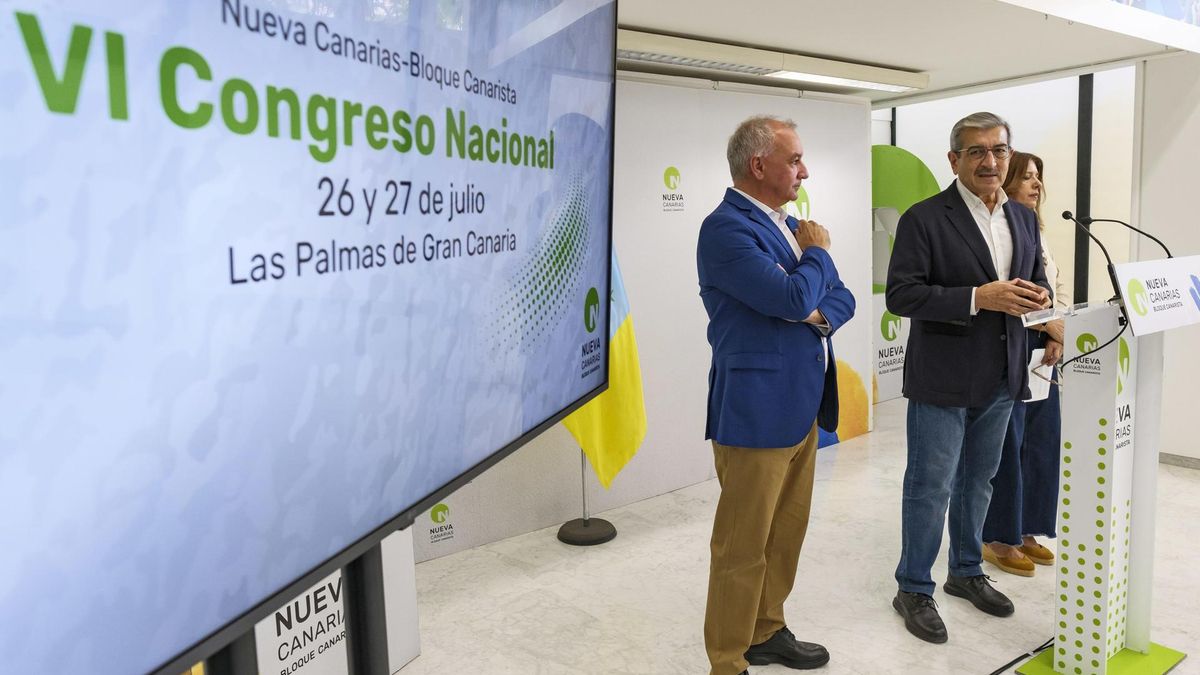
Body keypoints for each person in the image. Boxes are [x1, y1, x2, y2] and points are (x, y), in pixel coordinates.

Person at [696, 115, 855, 675]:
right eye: (795, 160)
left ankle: (765, 631)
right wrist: (815, 257)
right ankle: (728, 660)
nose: (804, 170)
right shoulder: (725, 229)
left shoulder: (787, 225)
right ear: (758, 165)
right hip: (755, 412)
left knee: (785, 533)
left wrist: (813, 300)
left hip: (802, 405)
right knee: (741, 547)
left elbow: (842, 298)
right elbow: (793, 297)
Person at [885, 112, 1051, 644]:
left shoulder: (1022, 219)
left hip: (1003, 375)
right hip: (943, 375)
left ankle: (965, 571)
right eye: (976, 151)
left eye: (999, 150)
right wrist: (980, 298)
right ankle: (913, 586)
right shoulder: (925, 218)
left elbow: (1037, 280)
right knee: (930, 486)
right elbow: (902, 295)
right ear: (954, 159)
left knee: (979, 481)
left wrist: (1043, 307)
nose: (990, 160)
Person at [982, 152, 1069, 576]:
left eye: (1040, 177)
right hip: (1014, 346)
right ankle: (999, 535)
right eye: (1028, 177)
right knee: (1009, 445)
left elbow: (1056, 288)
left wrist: (1057, 332)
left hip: (1044, 346)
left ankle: (1029, 528)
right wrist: (1049, 326)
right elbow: (1015, 294)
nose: (1036, 185)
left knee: (1041, 442)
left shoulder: (1037, 230)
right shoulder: (1002, 231)